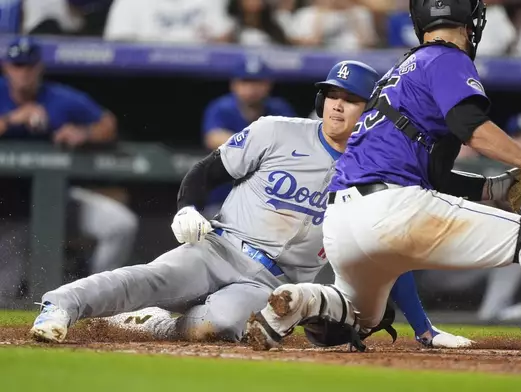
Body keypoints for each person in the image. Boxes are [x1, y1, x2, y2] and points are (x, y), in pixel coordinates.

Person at [246, 0, 521, 362]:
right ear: (468, 23)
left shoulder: (396, 74)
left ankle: (300, 300)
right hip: (392, 209)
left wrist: (493, 189)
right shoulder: (446, 58)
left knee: (358, 317)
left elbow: (432, 173)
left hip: (342, 223)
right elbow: (472, 128)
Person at [30, 60, 471, 348]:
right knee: (153, 277)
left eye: (352, 100)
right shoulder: (277, 130)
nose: (338, 106)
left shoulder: (377, 172)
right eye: (333, 95)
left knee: (221, 328)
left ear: (370, 110)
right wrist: (186, 208)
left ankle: (151, 324)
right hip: (220, 248)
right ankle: (61, 305)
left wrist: (423, 328)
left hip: (270, 283)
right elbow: (207, 170)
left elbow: (389, 260)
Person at [0, 37, 137, 303]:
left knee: (121, 225)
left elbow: (107, 123)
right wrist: (11, 119)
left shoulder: (59, 97)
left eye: (29, 65)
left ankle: (94, 299)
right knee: (4, 292)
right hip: (7, 211)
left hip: (55, 201)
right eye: (17, 65)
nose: (23, 72)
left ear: (39, 68)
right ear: (6, 68)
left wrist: (83, 132)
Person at [201, 56, 296, 217]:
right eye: (245, 81)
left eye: (257, 82)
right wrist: (260, 145)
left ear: (268, 85)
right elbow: (213, 137)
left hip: (268, 202)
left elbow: (295, 141)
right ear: (234, 84)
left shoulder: (279, 108)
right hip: (223, 199)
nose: (251, 88)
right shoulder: (222, 107)